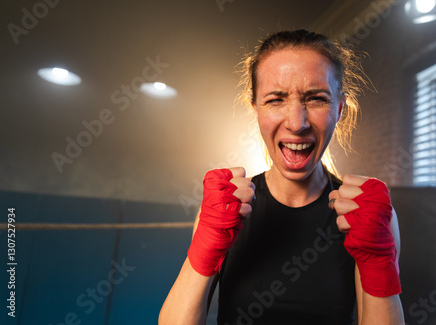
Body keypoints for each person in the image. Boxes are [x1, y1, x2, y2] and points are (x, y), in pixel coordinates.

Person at [159, 29, 404, 324]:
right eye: (276, 100)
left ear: (339, 109)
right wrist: (204, 245)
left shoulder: (367, 218)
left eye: (316, 99)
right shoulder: (224, 211)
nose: (296, 123)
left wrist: (378, 264)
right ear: (256, 110)